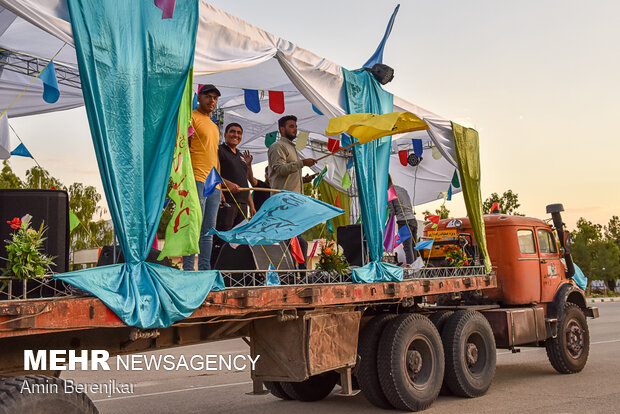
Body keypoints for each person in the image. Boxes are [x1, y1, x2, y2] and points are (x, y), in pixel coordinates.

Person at [267, 115, 317, 267]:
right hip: (283, 203)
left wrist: (303, 180)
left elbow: (287, 179)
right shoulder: (277, 146)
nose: (295, 129)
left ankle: (298, 275)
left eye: (295, 126)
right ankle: (288, 274)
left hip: (295, 202)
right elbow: (279, 170)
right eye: (291, 126)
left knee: (297, 241)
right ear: (282, 129)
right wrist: (302, 163)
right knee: (288, 241)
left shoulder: (292, 148)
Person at [183, 84, 221, 271]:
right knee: (193, 226)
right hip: (196, 178)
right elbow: (183, 147)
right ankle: (188, 270)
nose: (212, 100)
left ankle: (205, 271)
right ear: (199, 97)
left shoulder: (214, 125)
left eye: (215, 98)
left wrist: (220, 183)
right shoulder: (191, 118)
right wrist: (187, 177)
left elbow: (215, 155)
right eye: (209, 96)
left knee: (208, 231)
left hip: (214, 185)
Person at [217, 123, 256, 229]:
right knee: (223, 238)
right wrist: (227, 184)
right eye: (232, 131)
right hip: (226, 202)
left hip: (243, 205)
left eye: (239, 133)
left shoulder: (241, 156)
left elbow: (244, 182)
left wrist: (251, 205)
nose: (236, 135)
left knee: (237, 240)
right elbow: (212, 174)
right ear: (225, 134)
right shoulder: (219, 150)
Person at [387, 175, 418, 266]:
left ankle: (411, 270)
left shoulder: (389, 192)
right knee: (413, 246)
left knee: (407, 247)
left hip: (403, 221)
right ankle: (416, 269)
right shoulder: (402, 189)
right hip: (413, 219)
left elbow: (392, 212)